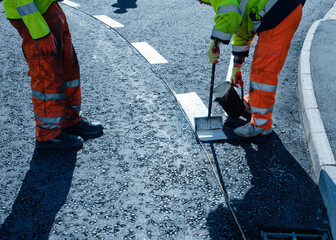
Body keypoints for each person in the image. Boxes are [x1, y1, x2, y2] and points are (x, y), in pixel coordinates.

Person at [3, 0, 103, 149]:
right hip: (36, 16)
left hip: (48, 8)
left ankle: (70, 120)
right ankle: (47, 133)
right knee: (47, 76)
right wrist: (40, 33)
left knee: (69, 69)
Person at [198, 0, 305, 138]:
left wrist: (216, 42)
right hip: (281, 9)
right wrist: (236, 67)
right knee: (261, 67)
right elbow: (243, 31)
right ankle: (254, 102)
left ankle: (261, 124)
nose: (201, 3)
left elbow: (230, 16)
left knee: (263, 71)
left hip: (280, 12)